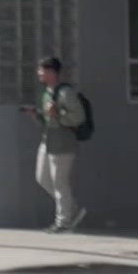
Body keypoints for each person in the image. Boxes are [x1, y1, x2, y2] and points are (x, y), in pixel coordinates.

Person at [20, 55, 87, 232]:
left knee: (60, 183)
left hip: (63, 144)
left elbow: (79, 117)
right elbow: (49, 120)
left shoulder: (66, 93)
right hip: (48, 141)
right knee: (42, 178)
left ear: (52, 72)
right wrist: (37, 115)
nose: (39, 73)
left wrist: (58, 114)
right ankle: (71, 209)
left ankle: (63, 222)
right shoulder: (47, 93)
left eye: (42, 70)